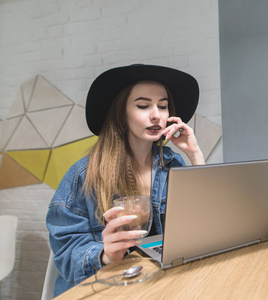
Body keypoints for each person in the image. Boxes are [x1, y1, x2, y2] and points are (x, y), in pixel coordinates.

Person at [46, 64, 205, 297]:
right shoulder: (84, 175)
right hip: (101, 290)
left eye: (162, 106)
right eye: (143, 105)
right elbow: (65, 255)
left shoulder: (172, 164)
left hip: (156, 285)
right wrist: (105, 255)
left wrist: (195, 155)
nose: (156, 115)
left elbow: (197, 225)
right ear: (121, 113)